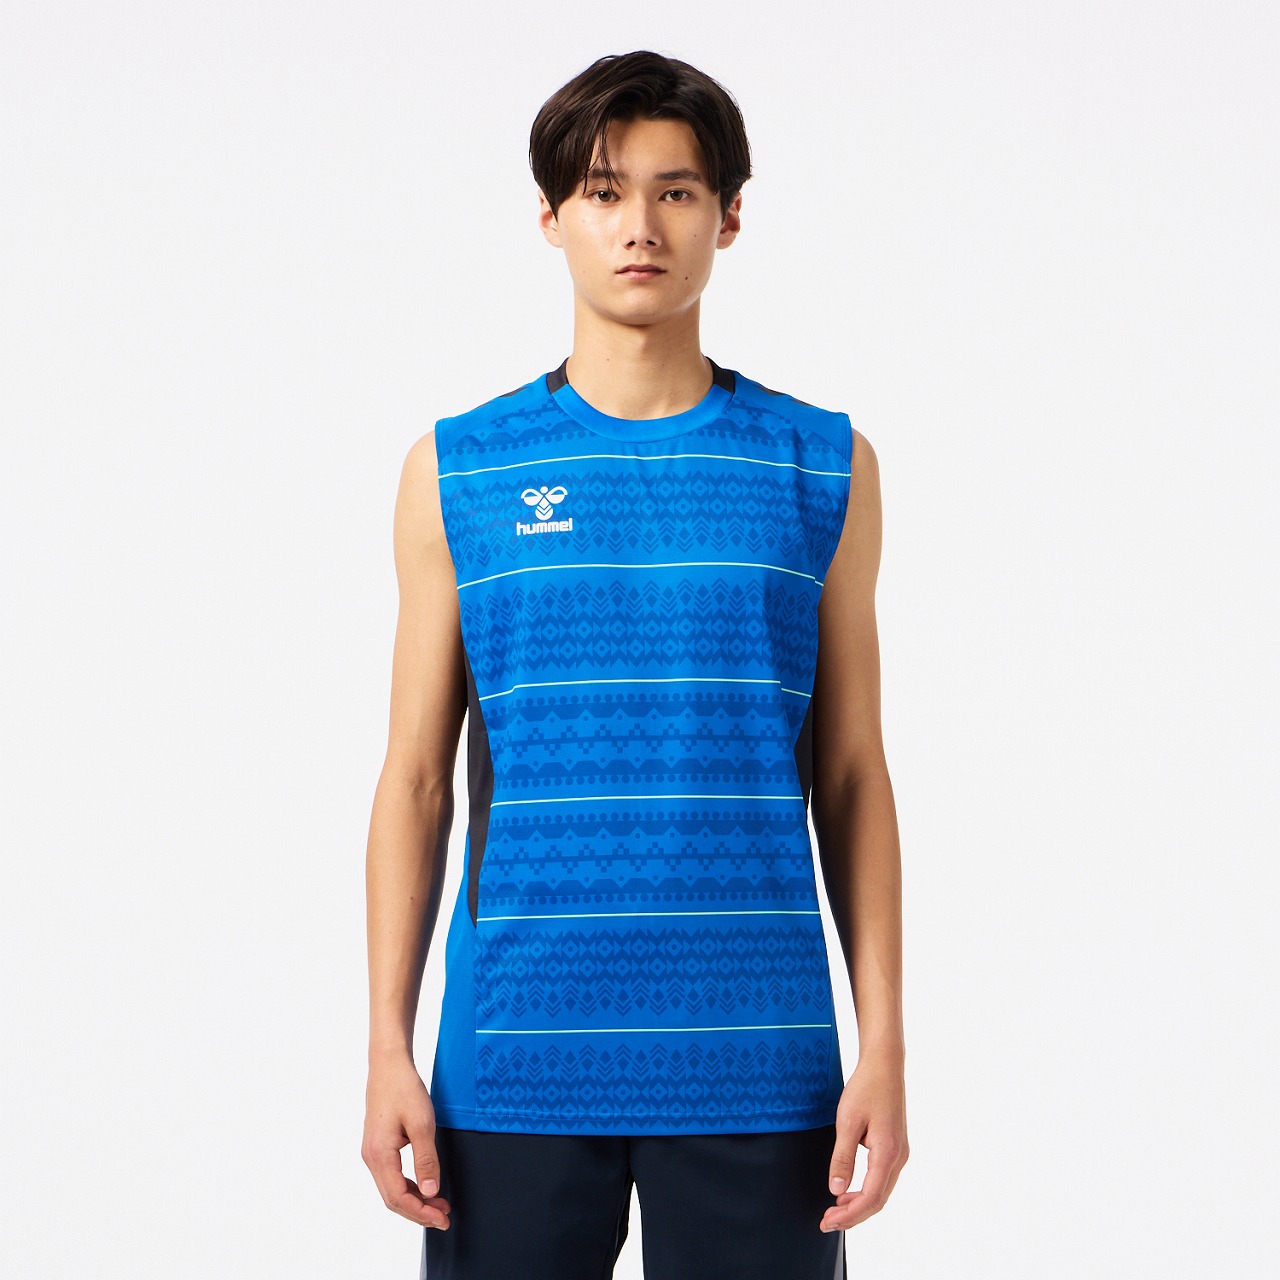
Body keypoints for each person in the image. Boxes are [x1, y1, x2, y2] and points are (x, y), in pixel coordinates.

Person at [362, 49, 908, 1280]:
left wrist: (882, 1044)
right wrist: (388, 1043)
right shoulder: (459, 469)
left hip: (757, 1050)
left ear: (727, 216)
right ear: (550, 216)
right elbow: (416, 778)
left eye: (675, 192)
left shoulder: (819, 464)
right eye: (604, 193)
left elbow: (851, 773)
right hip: (514, 1049)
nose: (639, 227)